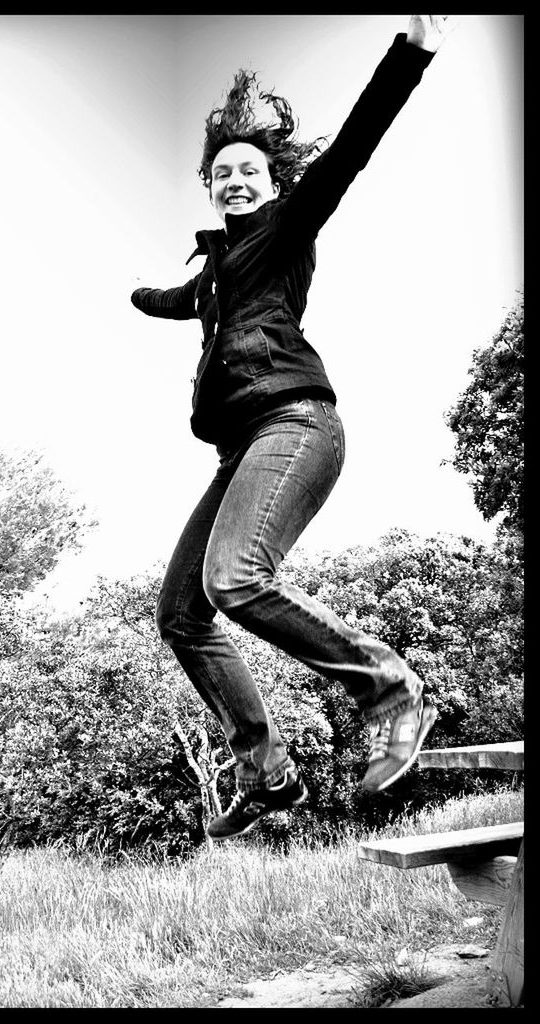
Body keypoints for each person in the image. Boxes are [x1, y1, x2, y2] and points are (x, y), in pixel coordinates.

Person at [131, 16, 453, 841]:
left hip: (295, 423)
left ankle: (384, 682)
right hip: (242, 447)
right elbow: (180, 301)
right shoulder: (214, 274)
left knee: (234, 579)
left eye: (249, 172)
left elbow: (351, 150)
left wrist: (409, 55)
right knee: (182, 613)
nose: (235, 182)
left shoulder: (284, 229)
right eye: (222, 175)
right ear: (208, 188)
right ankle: (266, 770)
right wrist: (141, 294)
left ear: (273, 184)